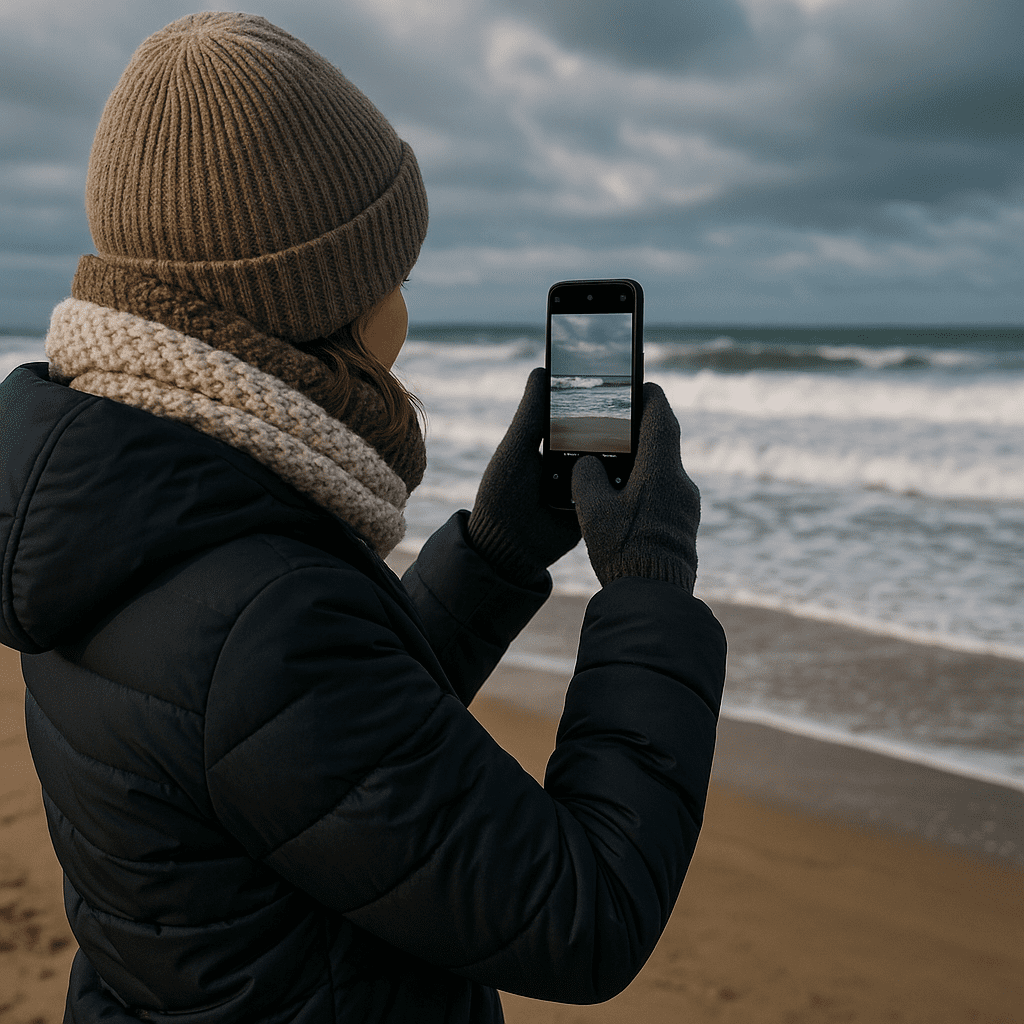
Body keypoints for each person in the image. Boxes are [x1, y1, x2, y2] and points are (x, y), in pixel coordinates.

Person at [0, 13, 726, 1023]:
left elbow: (304, 749)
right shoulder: (259, 609)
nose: (404, 303)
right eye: (391, 271)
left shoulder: (112, 500)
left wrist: (494, 555)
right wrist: (650, 595)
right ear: (314, 298)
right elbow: (582, 907)